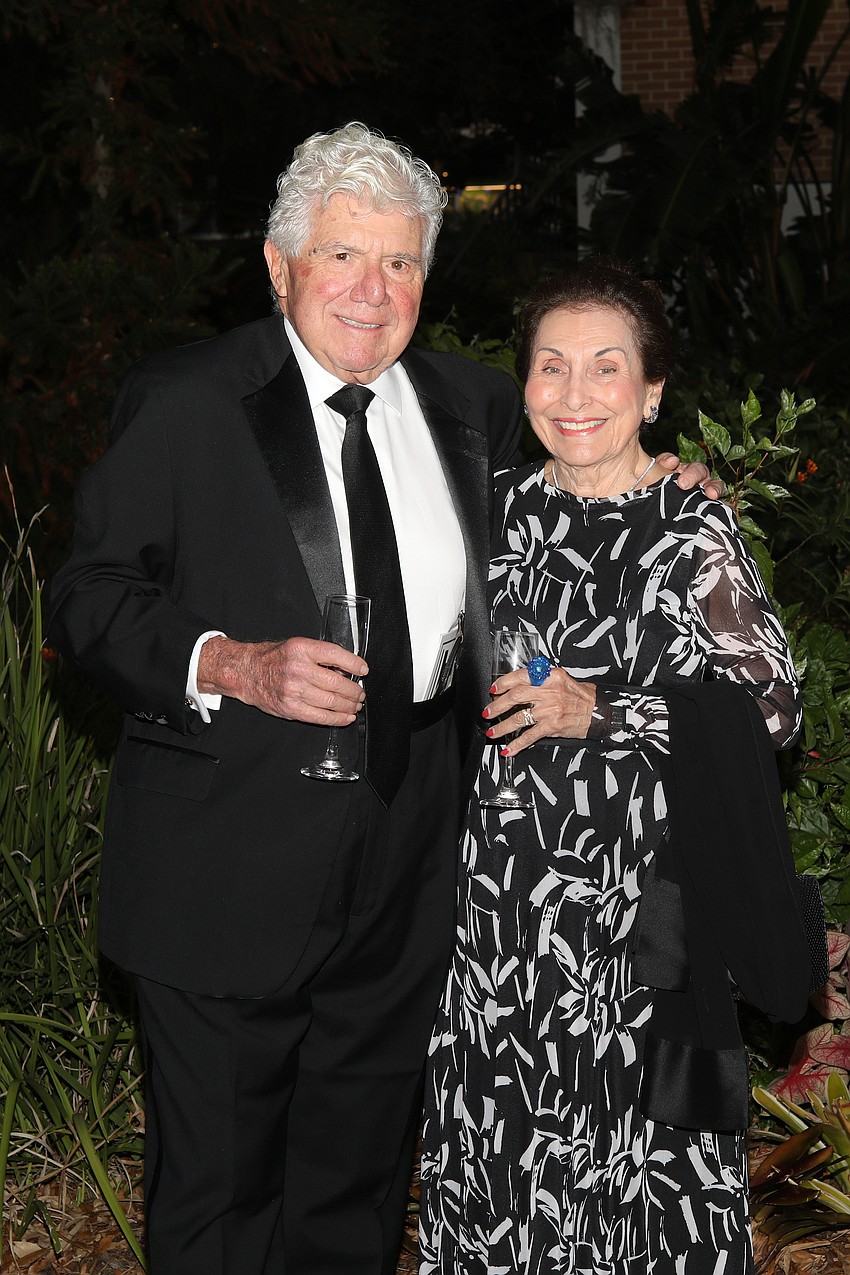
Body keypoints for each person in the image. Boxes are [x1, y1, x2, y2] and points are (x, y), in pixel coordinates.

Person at [48, 126, 715, 1275]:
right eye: (343, 257)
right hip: (226, 860)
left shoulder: (472, 405)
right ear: (278, 264)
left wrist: (665, 480)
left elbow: (574, 479)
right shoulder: (187, 399)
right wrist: (226, 661)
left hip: (416, 857)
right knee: (218, 1193)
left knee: (353, 1187)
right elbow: (86, 599)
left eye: (400, 263)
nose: (372, 290)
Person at [419, 260, 811, 1275]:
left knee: (640, 1173)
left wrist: (604, 709)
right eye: (551, 368)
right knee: (504, 1158)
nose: (576, 393)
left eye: (606, 368)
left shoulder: (692, 526)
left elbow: (769, 709)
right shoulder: (490, 517)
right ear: (525, 388)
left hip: (639, 926)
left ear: (651, 391)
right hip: (498, 918)